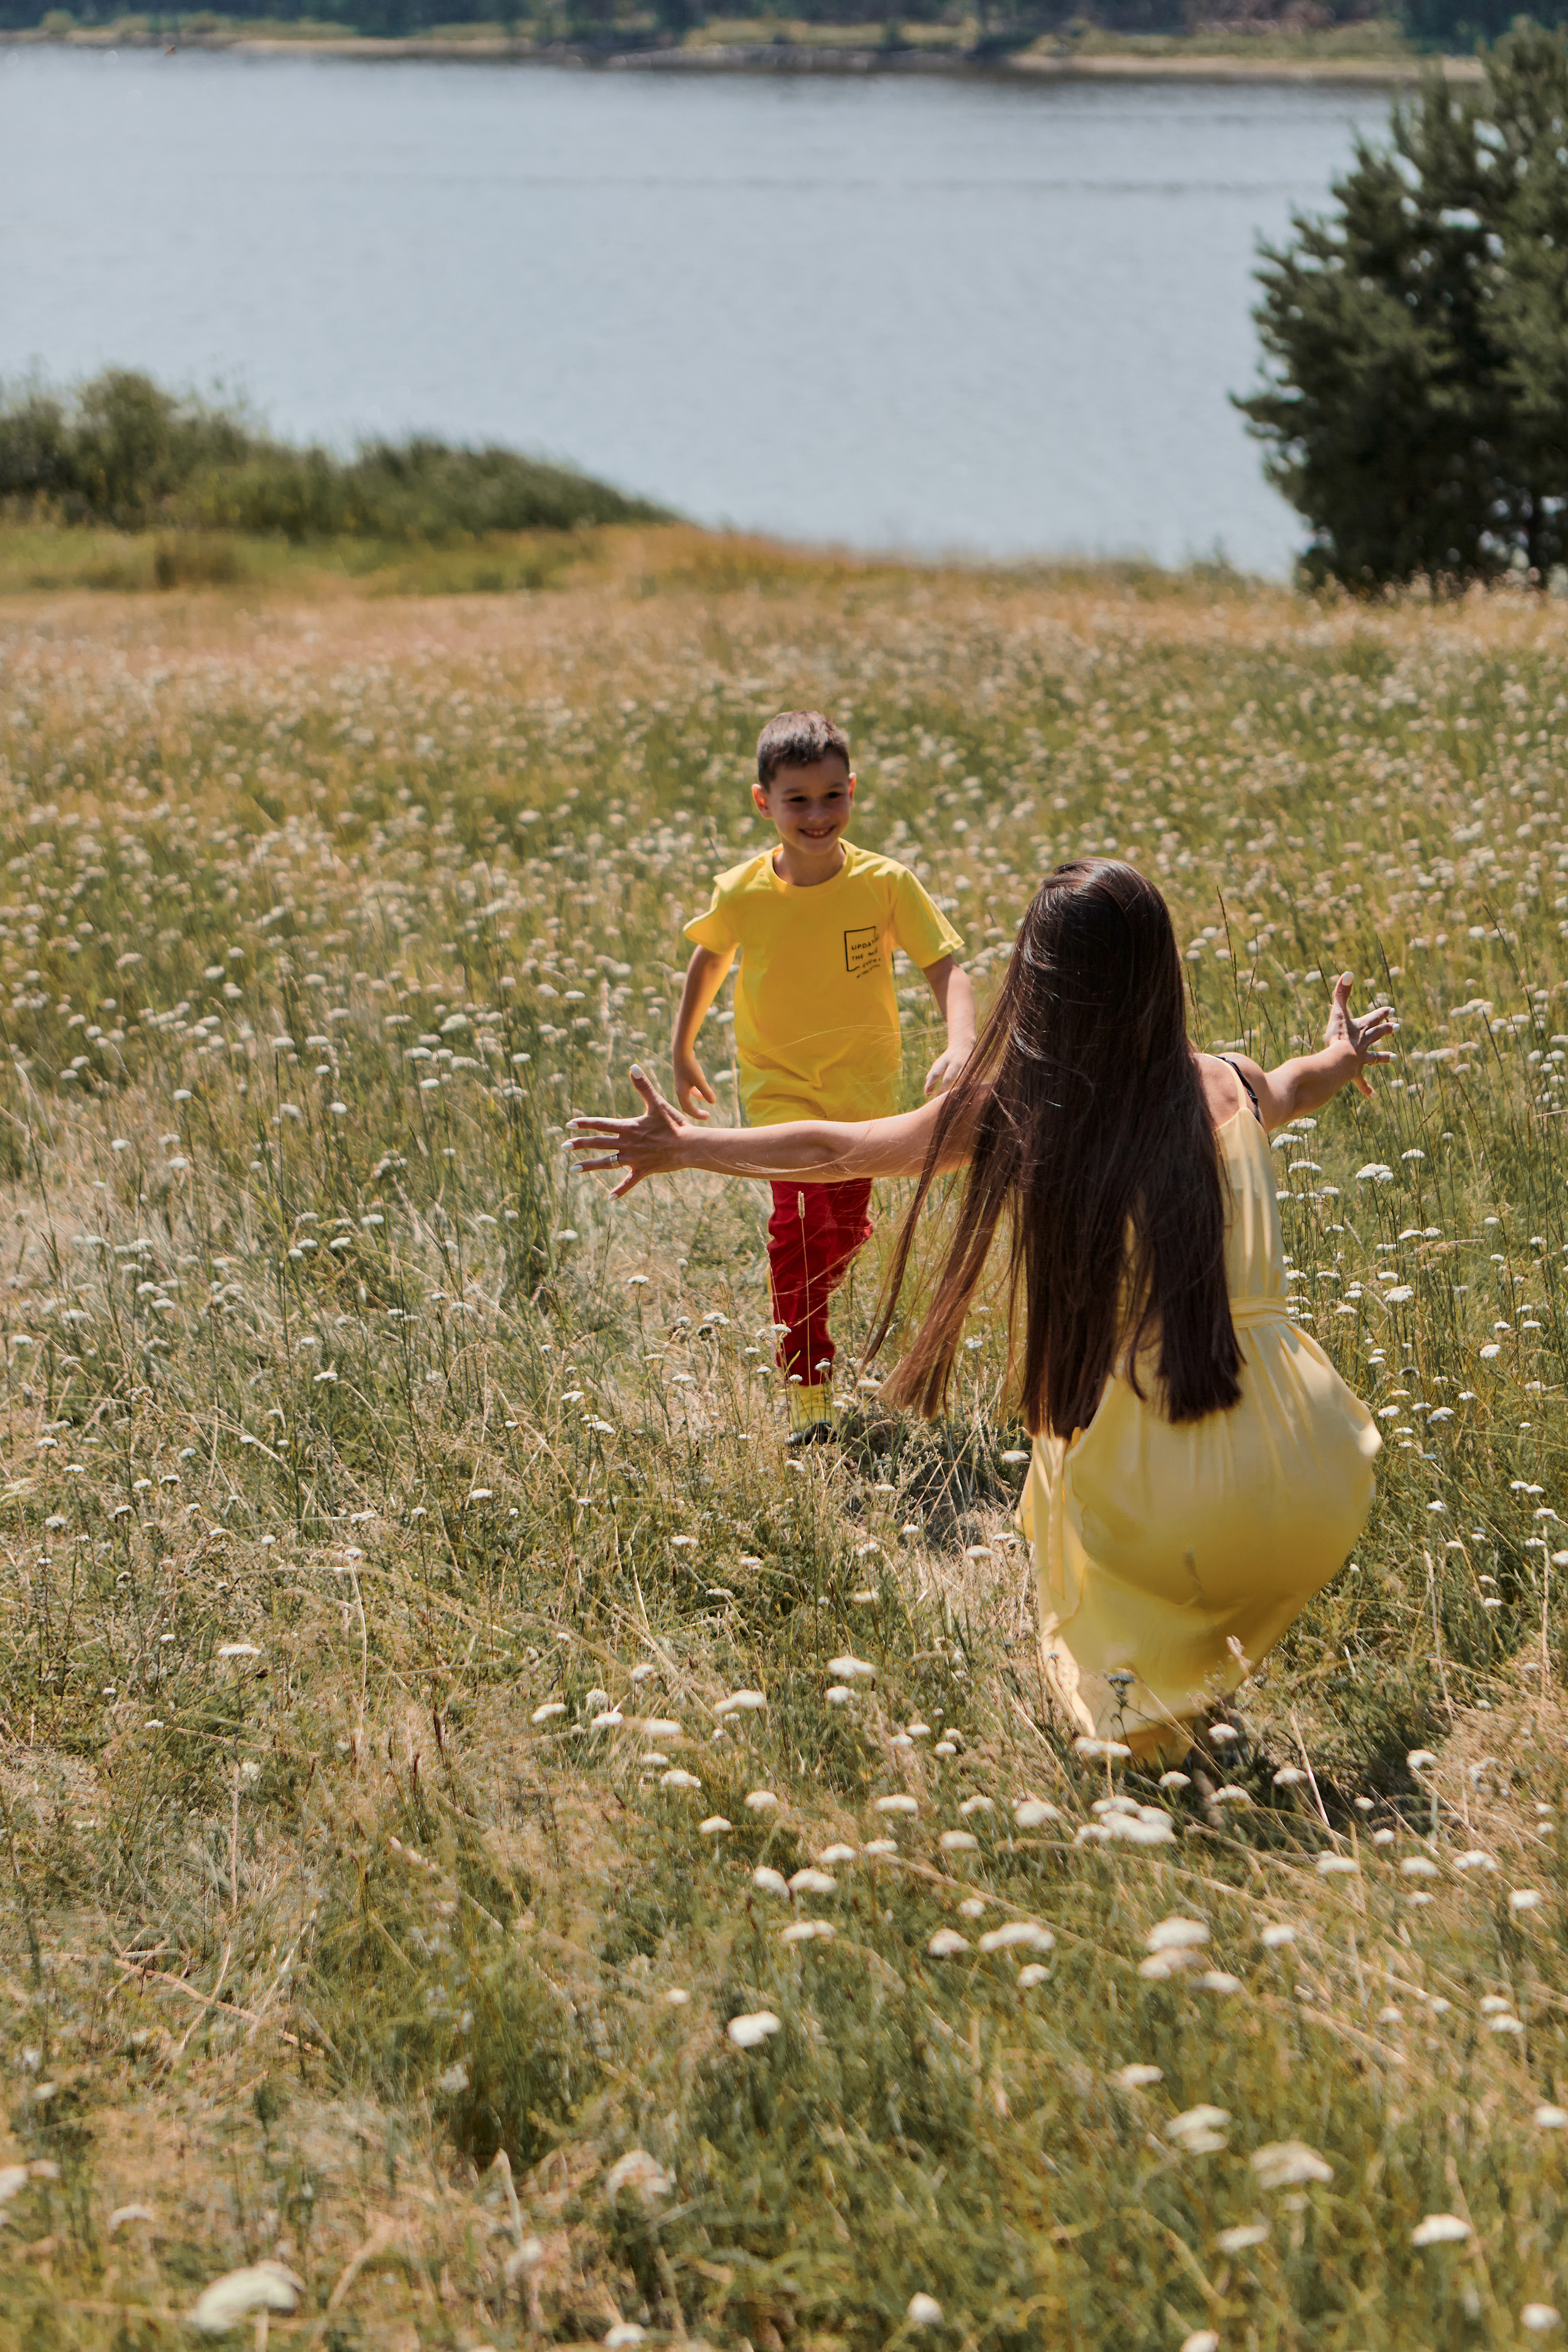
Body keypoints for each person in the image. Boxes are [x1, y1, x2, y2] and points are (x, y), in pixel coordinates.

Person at [576, 858, 1392, 1762]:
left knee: (1058, 1490)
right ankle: (1195, 1685)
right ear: (1163, 970)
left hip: (1166, 1494)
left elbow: (841, 1148)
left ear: (1039, 985)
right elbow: (1299, 1084)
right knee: (1159, 1517)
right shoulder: (1229, 1083)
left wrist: (691, 1146)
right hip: (1313, 1461)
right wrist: (1342, 1055)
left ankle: (1154, 1725)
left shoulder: (1023, 1110)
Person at [672, 710, 975, 1447]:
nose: (817, 814)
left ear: (852, 792)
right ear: (762, 802)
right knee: (798, 1232)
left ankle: (833, 1259)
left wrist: (962, 1041)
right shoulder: (742, 891)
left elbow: (944, 966)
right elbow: (709, 959)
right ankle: (810, 1391)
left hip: (862, 1093)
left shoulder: (885, 883)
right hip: (777, 1089)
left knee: (837, 1232)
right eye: (797, 799)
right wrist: (683, 1048)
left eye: (832, 796)